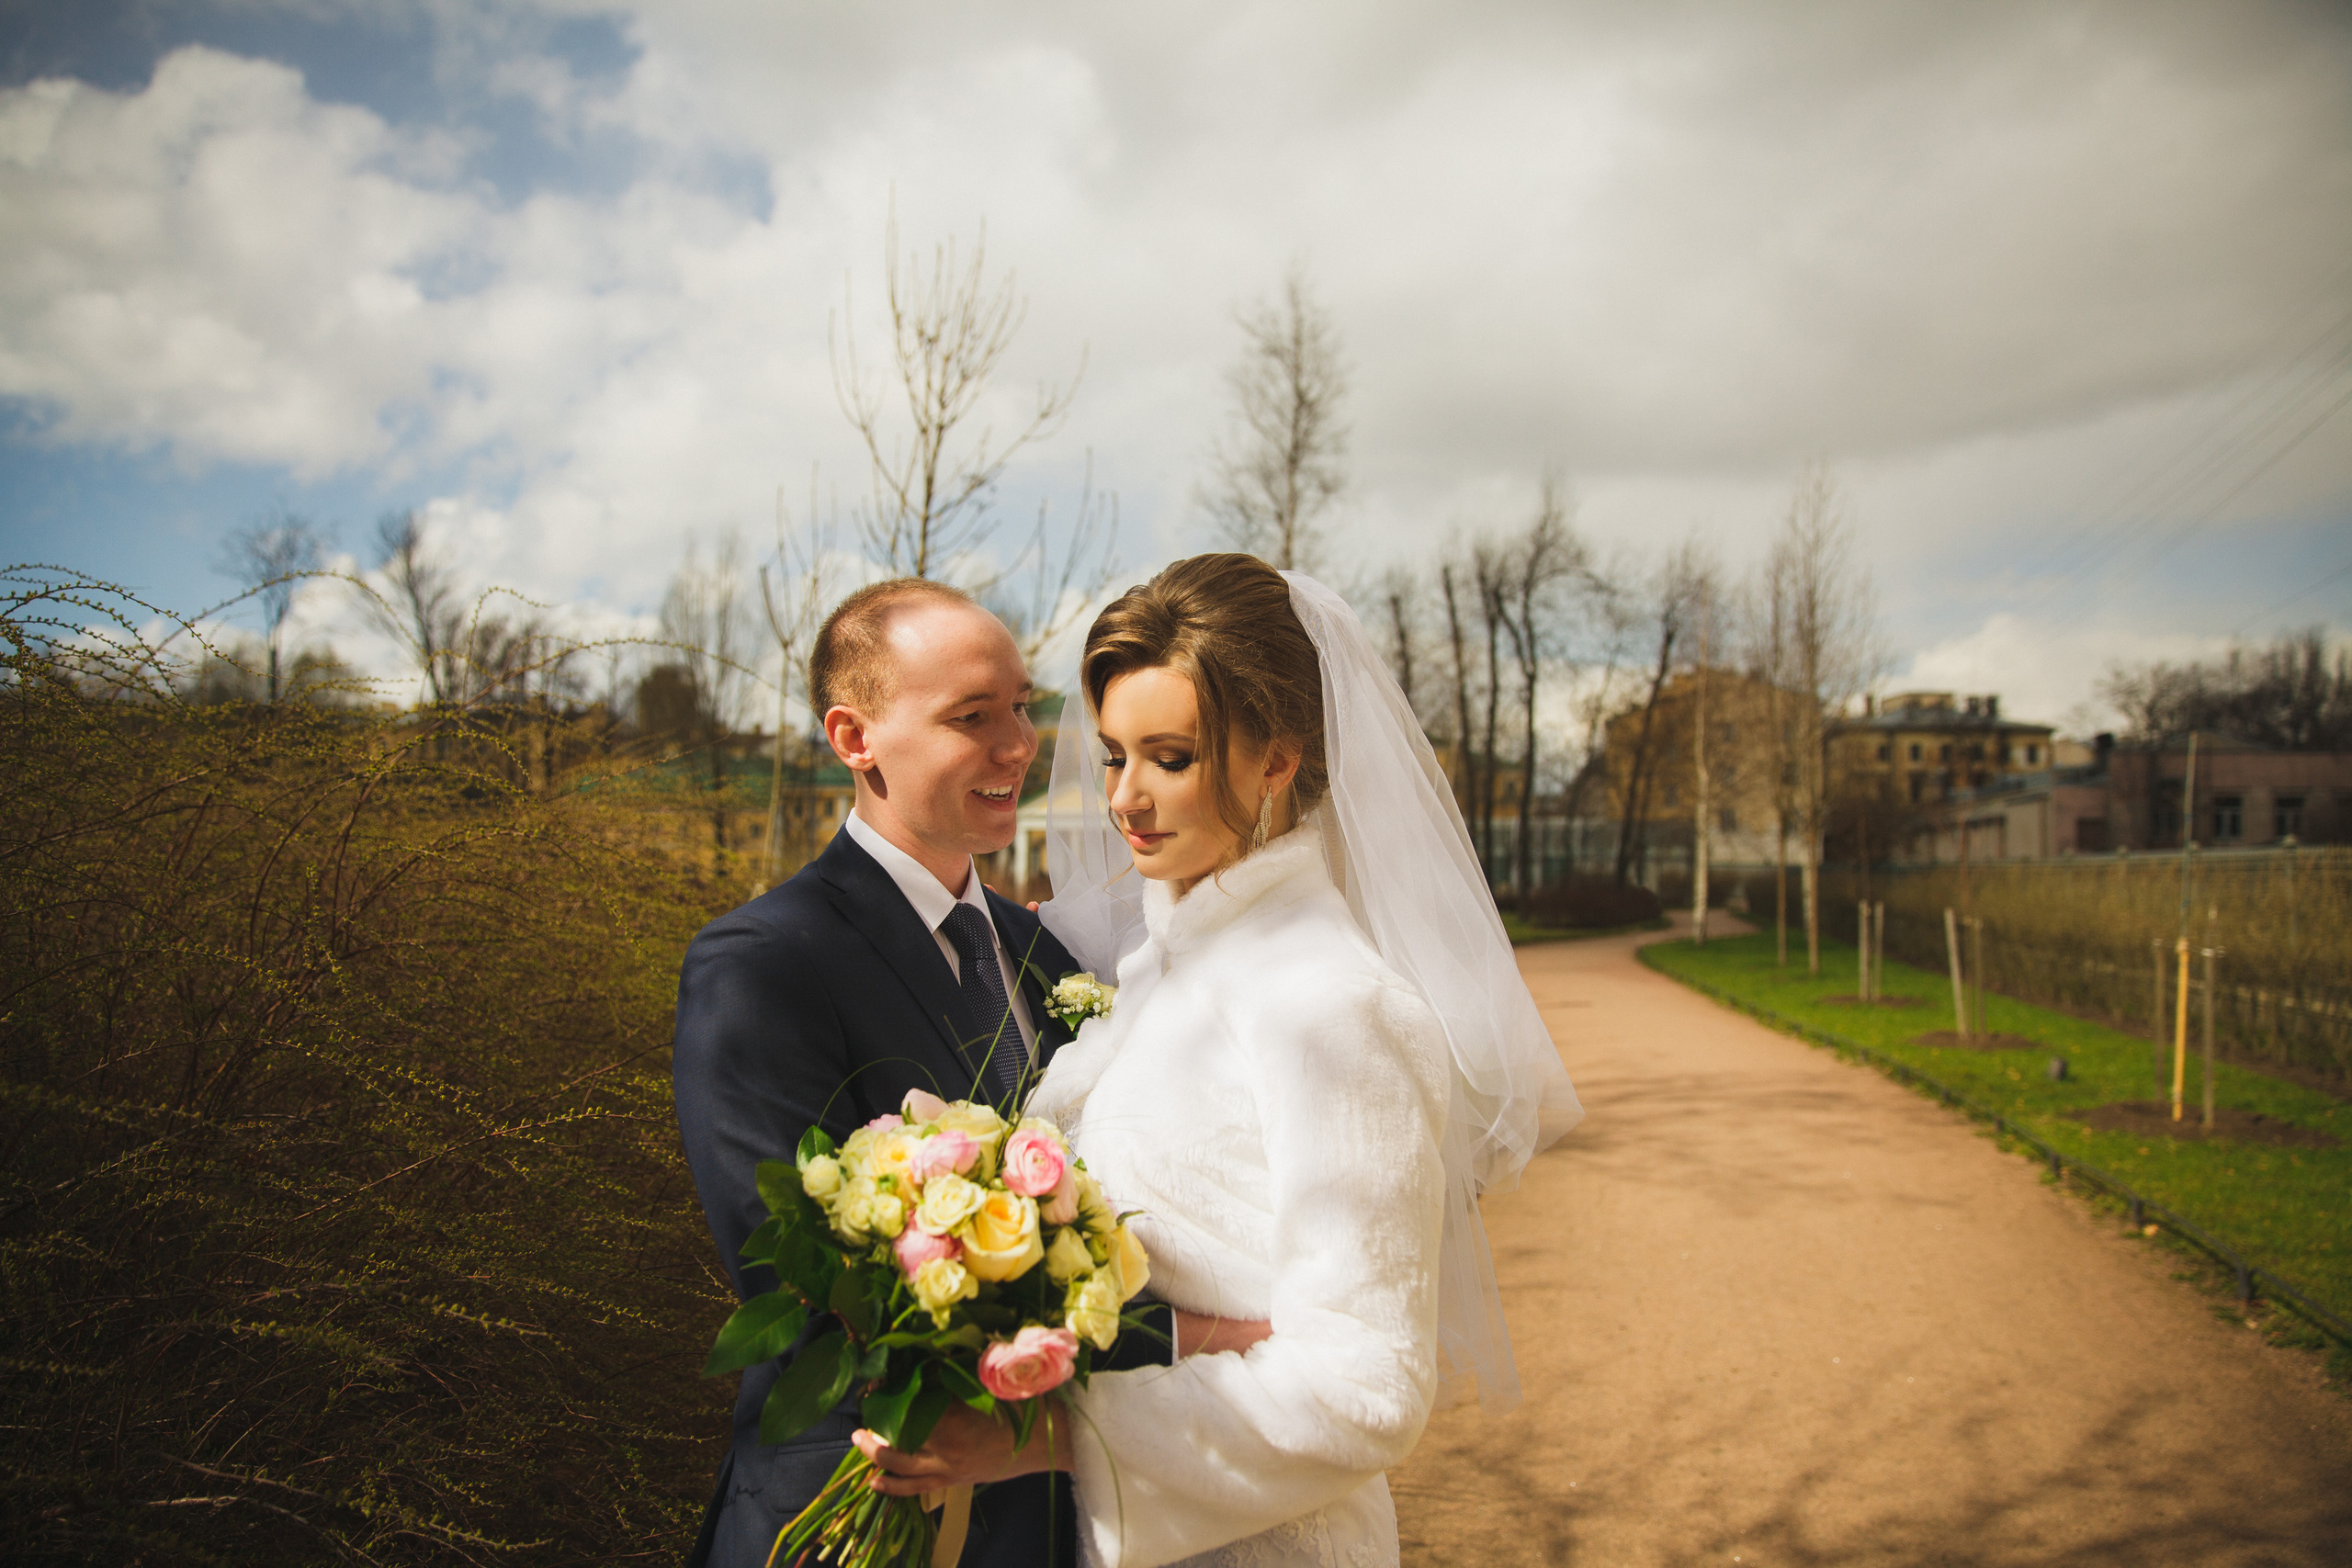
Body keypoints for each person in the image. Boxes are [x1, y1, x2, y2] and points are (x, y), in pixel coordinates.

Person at [854, 555, 1583, 1568]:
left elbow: (1365, 1387)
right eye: (1114, 755)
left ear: (1276, 760)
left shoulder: (1333, 1008)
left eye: (1171, 757)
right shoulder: (1165, 973)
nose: (1126, 798)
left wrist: (1045, 1435)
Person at [672, 580, 1260, 1568]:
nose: (1018, 745)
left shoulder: (1046, 959)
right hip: (862, 1517)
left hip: (1054, 1523)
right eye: (971, 717)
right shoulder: (763, 964)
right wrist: (1195, 1336)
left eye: (1021, 708)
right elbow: (810, 1285)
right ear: (854, 738)